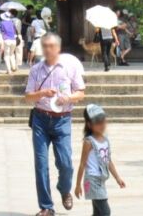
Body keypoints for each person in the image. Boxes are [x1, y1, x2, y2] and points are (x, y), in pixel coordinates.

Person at [25, 32, 87, 216]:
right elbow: (28, 97)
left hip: (62, 120)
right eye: (44, 46)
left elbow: (81, 93)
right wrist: (42, 93)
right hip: (41, 119)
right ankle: (46, 206)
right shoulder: (36, 69)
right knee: (41, 164)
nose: (48, 49)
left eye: (51, 46)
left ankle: (64, 187)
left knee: (66, 163)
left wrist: (67, 97)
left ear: (59, 48)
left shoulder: (70, 67)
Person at [74, 104, 126, 215]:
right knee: (105, 212)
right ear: (89, 125)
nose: (101, 125)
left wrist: (117, 178)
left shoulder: (105, 140)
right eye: (97, 122)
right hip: (92, 181)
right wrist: (78, 185)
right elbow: (82, 164)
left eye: (103, 121)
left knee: (98, 212)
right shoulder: (89, 142)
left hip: (101, 181)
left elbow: (108, 161)